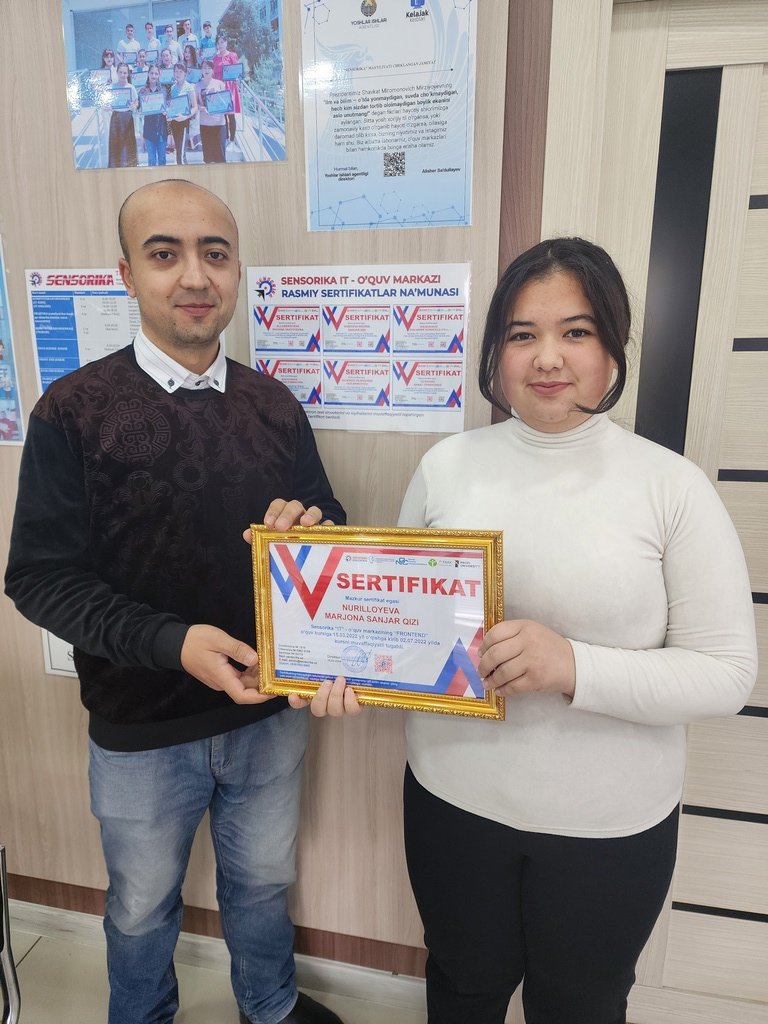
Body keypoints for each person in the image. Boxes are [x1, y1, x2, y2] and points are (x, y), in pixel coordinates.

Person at [5, 179, 347, 1024]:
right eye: (165, 253)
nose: (195, 276)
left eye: (215, 253)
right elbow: (39, 577)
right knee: (140, 903)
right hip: (140, 727)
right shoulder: (72, 410)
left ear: (237, 270)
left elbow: (329, 522)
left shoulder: (273, 406)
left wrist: (314, 529)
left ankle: (269, 1004)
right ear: (128, 273)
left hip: (269, 714)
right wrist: (173, 642)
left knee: (263, 882)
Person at [391, 237, 758, 1023]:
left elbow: (726, 673)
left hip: (608, 826)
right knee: (461, 986)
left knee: (579, 1006)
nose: (548, 357)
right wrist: (342, 666)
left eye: (577, 331)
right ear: (496, 352)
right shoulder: (446, 466)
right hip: (450, 799)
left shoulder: (672, 487)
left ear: (612, 347)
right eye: (522, 334)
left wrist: (571, 667)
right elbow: (405, 631)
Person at [107, 62, 138, 168]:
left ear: (128, 74)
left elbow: (136, 102)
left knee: (128, 147)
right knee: (115, 147)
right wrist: (107, 107)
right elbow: (106, 103)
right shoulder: (112, 87)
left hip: (127, 119)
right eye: (120, 72)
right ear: (117, 73)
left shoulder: (131, 88)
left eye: (125, 73)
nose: (122, 75)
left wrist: (134, 106)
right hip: (116, 119)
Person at [213, 33, 241, 145]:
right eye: (218, 43)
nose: (220, 45)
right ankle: (225, 138)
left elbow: (237, 72)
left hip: (230, 88)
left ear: (226, 43)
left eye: (222, 42)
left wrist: (238, 79)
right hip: (219, 88)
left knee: (230, 115)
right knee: (222, 115)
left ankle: (232, 140)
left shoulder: (232, 56)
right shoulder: (215, 58)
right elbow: (213, 74)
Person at [168, 62, 198, 164]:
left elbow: (195, 107)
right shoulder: (173, 88)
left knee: (181, 154)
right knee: (178, 151)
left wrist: (185, 117)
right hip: (174, 123)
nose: (178, 74)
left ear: (185, 73)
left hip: (184, 123)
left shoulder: (189, 87)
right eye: (176, 71)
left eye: (180, 71)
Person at [139, 64, 167, 166]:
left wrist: (166, 111)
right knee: (151, 160)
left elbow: (168, 107)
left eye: (156, 73)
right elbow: (139, 109)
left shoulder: (163, 90)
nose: (154, 76)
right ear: (148, 74)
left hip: (162, 130)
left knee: (162, 159)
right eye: (151, 73)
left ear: (159, 75)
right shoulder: (143, 91)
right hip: (149, 131)